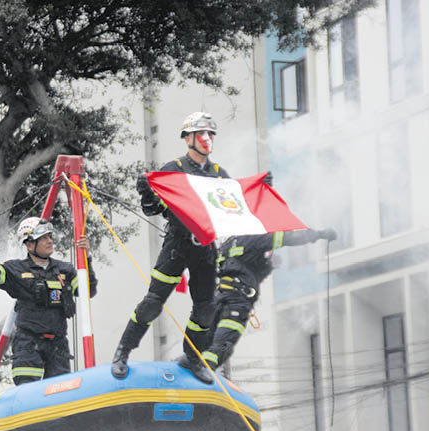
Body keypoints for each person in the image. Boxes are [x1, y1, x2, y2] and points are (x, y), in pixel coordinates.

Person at [111, 111, 240, 381]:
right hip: (177, 246)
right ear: (188, 138)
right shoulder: (174, 169)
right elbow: (153, 209)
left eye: (210, 134)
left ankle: (192, 359)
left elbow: (233, 214)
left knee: (205, 308)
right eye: (201, 134)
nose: (207, 139)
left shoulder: (219, 175)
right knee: (153, 303)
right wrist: (146, 191)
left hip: (205, 250)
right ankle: (123, 352)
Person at [185, 227, 337, 383]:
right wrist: (319, 235)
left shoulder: (227, 244)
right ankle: (205, 369)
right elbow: (287, 237)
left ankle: (191, 364)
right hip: (237, 300)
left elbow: (239, 267)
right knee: (224, 340)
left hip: (218, 297)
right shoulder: (255, 238)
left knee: (206, 340)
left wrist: (267, 265)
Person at [0, 216, 97, 385]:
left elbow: (88, 291)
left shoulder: (65, 270)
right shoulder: (16, 269)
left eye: (50, 236)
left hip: (58, 345)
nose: (50, 241)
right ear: (29, 244)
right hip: (28, 344)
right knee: (27, 391)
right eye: (44, 238)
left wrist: (87, 259)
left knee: (60, 395)